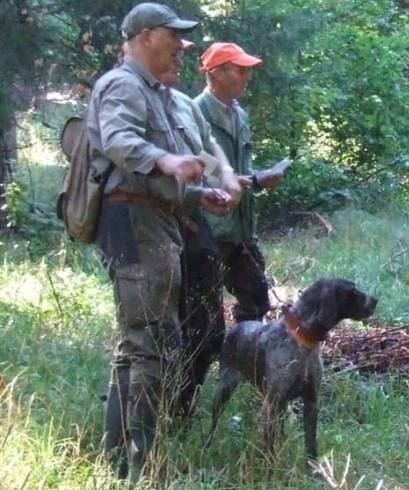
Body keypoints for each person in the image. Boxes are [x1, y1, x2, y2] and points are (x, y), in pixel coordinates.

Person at [89, 3, 233, 483]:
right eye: (173, 35)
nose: (179, 44)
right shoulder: (122, 85)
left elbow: (157, 175)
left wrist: (196, 195)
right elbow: (119, 142)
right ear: (147, 36)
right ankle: (140, 466)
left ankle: (116, 459)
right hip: (132, 223)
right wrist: (168, 163)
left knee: (138, 346)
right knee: (149, 346)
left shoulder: (158, 93)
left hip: (156, 220)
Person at [194, 43, 287, 325]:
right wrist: (224, 178)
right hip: (209, 226)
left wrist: (258, 178)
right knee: (204, 309)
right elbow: (191, 159)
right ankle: (205, 362)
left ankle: (247, 356)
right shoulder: (194, 111)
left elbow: (239, 170)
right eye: (241, 70)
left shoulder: (239, 114)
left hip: (240, 228)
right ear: (217, 73)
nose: (248, 77)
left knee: (257, 296)